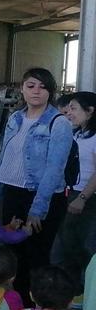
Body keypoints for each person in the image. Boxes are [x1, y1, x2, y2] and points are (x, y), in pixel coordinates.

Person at [0, 68, 74, 305]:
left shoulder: (59, 124)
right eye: (30, 86)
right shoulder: (15, 118)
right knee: (13, 257)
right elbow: (3, 158)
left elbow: (54, 169)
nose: (36, 91)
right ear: (22, 89)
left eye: (42, 86)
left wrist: (38, 209)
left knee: (36, 258)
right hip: (13, 194)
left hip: (42, 197)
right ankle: (16, 309)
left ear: (51, 91)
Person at [53, 91, 96, 296]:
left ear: (90, 111)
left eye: (73, 108)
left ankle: (85, 291)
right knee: (67, 243)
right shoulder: (76, 133)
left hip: (87, 198)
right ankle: (73, 289)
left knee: (85, 246)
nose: (68, 112)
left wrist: (82, 198)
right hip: (71, 193)